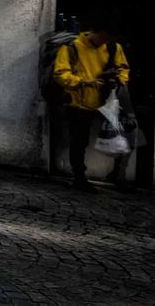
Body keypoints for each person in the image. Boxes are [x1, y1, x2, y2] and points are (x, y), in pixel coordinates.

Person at [53, 19, 130, 191]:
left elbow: (124, 69)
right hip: (79, 102)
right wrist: (86, 82)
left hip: (106, 101)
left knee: (121, 135)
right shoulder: (72, 47)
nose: (104, 41)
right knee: (79, 140)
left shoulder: (113, 47)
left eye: (108, 38)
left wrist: (117, 80)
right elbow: (60, 74)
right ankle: (79, 176)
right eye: (103, 37)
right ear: (93, 31)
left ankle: (118, 174)